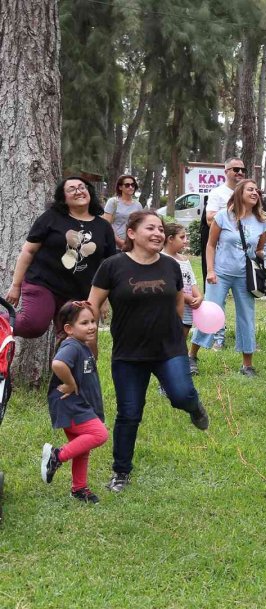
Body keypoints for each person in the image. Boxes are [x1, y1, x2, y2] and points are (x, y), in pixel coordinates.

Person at [88, 210, 209, 493]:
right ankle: (121, 472)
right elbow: (92, 305)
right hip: (128, 353)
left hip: (169, 348)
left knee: (182, 395)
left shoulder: (170, 266)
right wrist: (85, 337)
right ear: (131, 233)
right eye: (150, 228)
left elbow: (178, 302)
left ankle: (195, 407)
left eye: (161, 229)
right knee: (129, 413)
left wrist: (173, 329)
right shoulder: (112, 266)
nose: (158, 233)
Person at [5, 177, 116, 343]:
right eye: (72, 189)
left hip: (79, 292)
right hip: (43, 284)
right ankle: (2, 320)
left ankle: (63, 369)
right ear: (63, 197)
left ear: (89, 192)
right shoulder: (51, 218)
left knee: (71, 340)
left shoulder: (103, 227)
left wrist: (103, 298)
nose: (79, 191)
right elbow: (28, 251)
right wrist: (16, 285)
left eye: (82, 187)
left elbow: (108, 264)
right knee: (33, 324)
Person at [190, 180, 266, 377]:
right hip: (221, 274)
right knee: (209, 312)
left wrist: (263, 254)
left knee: (246, 317)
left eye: (256, 190)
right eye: (250, 189)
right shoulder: (223, 216)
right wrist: (210, 270)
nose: (255, 192)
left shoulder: (262, 222)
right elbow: (210, 245)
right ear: (239, 193)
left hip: (245, 277)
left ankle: (247, 365)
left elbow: (259, 250)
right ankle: (191, 356)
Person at [39, 301, 109, 503]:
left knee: (82, 447)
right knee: (99, 434)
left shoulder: (82, 345)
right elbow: (58, 364)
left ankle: (79, 489)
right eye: (84, 323)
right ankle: (56, 456)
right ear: (69, 329)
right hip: (70, 403)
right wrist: (70, 383)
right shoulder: (71, 345)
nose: (92, 326)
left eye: (93, 321)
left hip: (80, 404)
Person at [203, 157, 247, 349]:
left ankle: (245, 341)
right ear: (226, 171)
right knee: (216, 300)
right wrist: (231, 211)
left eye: (242, 170)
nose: (239, 172)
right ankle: (217, 338)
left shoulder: (247, 192)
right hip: (222, 253)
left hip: (242, 255)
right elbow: (208, 218)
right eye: (235, 169)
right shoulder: (218, 192)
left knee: (245, 304)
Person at [161, 223, 202, 340]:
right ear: (170, 239)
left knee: (181, 342)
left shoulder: (184, 260)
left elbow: (191, 280)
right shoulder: (163, 259)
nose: (186, 240)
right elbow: (168, 286)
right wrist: (188, 299)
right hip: (172, 310)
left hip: (188, 310)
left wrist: (198, 296)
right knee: (170, 341)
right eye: (182, 237)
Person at [103, 175, 143, 251]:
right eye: (127, 185)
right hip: (114, 245)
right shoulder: (113, 202)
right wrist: (119, 241)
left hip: (132, 245)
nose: (131, 187)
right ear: (120, 187)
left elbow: (140, 225)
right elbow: (107, 224)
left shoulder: (138, 205)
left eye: (133, 185)